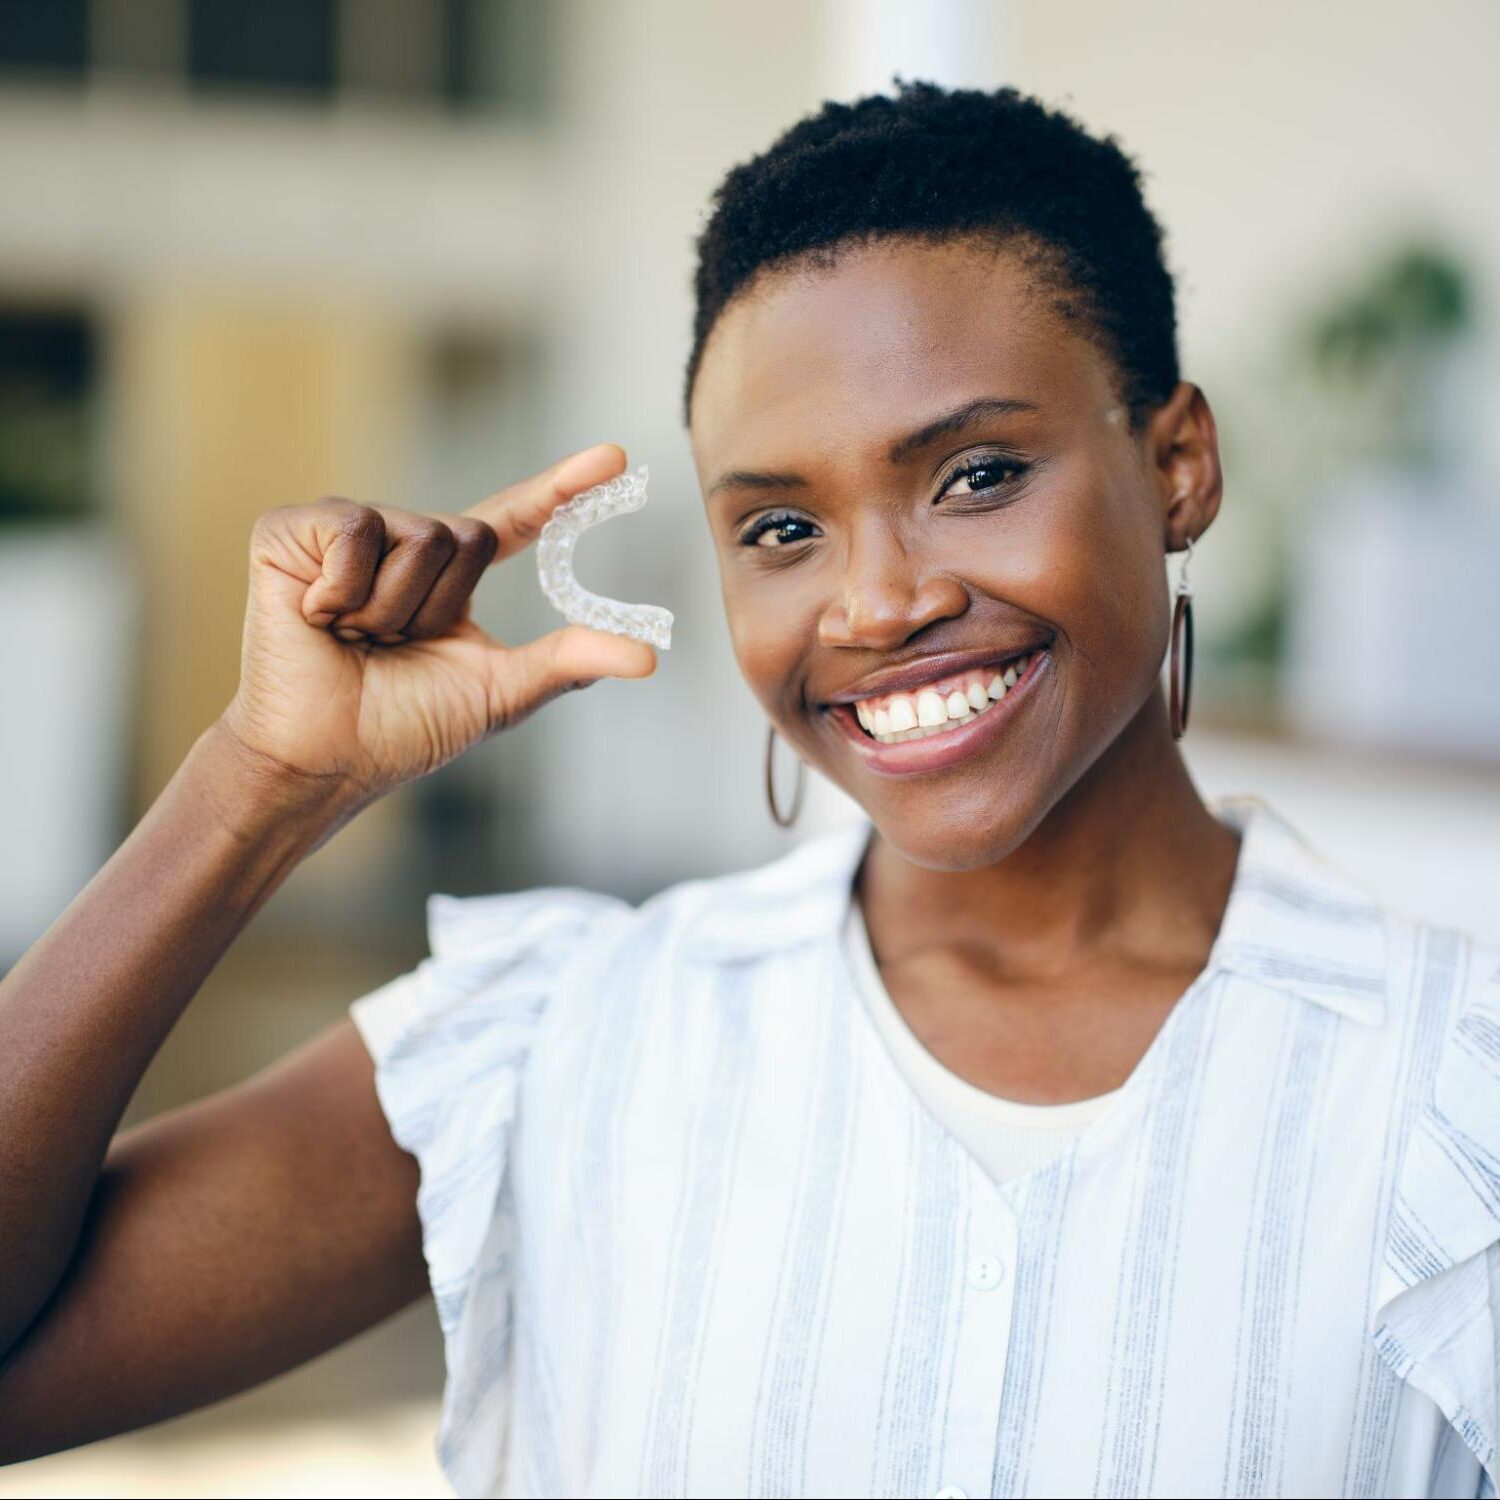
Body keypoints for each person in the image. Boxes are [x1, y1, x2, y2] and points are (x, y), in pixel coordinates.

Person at [1, 80, 1495, 1500]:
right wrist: (260, 783)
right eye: (782, 526)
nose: (876, 603)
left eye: (976, 474)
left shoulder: (1455, 1090)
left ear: (1178, 466)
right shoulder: (564, 1042)